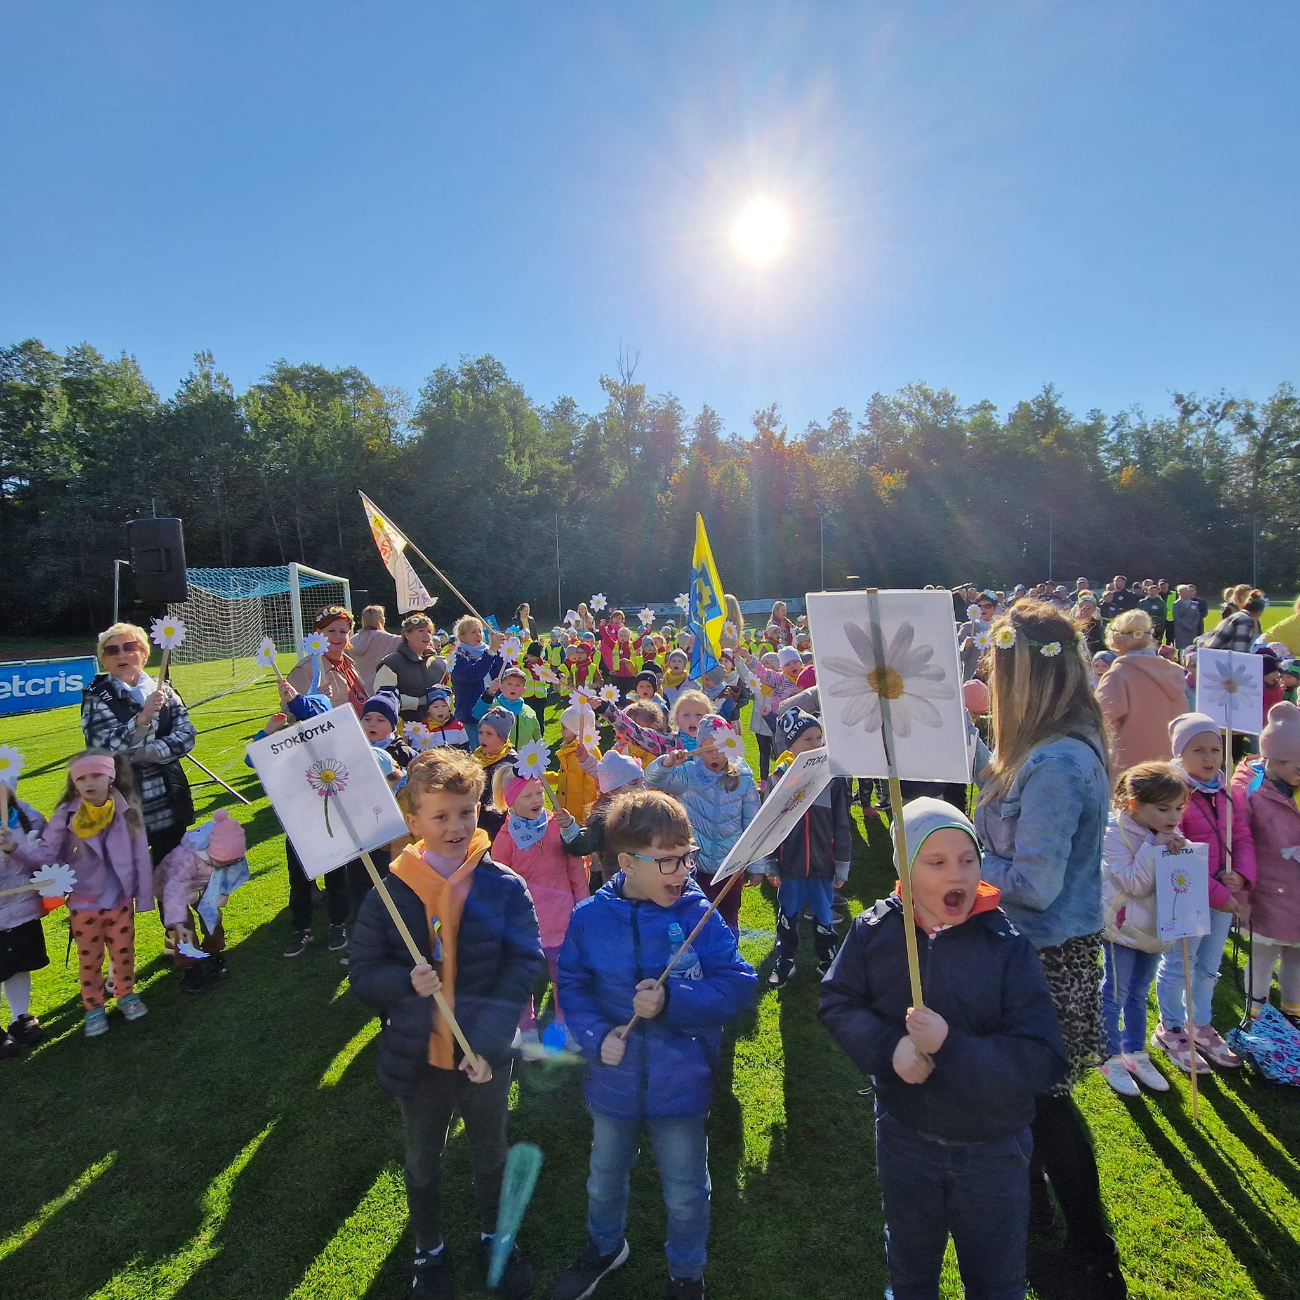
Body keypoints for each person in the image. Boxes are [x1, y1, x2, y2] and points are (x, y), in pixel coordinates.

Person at [820, 797, 1067, 1300]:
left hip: (992, 1148)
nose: (957, 874)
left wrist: (949, 1046)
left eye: (967, 859)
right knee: (911, 1264)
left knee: (995, 1278)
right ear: (905, 870)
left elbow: (1041, 1057)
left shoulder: (1006, 946)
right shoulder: (876, 931)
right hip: (906, 1136)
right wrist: (891, 1050)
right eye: (936, 863)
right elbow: (839, 1001)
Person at [349, 748, 543, 1300]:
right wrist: (404, 982)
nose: (457, 826)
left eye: (466, 811)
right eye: (441, 816)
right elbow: (364, 974)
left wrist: (485, 1043)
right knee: (422, 1158)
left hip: (484, 1056)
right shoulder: (389, 893)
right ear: (413, 822)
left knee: (491, 1152)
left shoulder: (503, 886)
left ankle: (494, 1234)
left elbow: (523, 963)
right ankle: (428, 1250)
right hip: (419, 1056)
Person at [971, 600, 1123, 1298]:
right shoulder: (1042, 747)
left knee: (1046, 1102)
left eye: (999, 672)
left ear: (1026, 677)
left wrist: (953, 866)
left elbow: (1033, 882)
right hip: (1027, 949)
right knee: (1026, 1099)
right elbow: (1009, 816)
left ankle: (1092, 1251)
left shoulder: (1059, 760)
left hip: (1046, 955)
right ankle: (1032, 1215)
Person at [553, 788, 757, 1300]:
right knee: (604, 1176)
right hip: (613, 1080)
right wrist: (598, 1038)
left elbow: (738, 986)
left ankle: (687, 1272)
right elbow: (573, 989)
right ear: (626, 862)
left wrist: (674, 1000)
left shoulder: (699, 915)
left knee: (687, 1191)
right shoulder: (589, 920)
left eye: (687, 857)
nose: (683, 871)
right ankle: (605, 1246)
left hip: (682, 1084)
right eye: (667, 861)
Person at [1149, 714, 1255, 1072]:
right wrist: (1220, 892)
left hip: (1223, 895)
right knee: (1181, 963)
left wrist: (1240, 874)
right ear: (1181, 753)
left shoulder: (1225, 793)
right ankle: (1172, 1027)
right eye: (1199, 750)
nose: (1210, 758)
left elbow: (1241, 838)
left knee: (1209, 967)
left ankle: (1201, 1023)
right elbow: (1178, 855)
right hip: (1188, 896)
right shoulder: (1175, 796)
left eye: (1216, 749)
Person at [28, 751, 153, 1036]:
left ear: (111, 776)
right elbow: (48, 853)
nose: (88, 782)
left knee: (123, 953)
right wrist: (18, 850)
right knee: (90, 958)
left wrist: (143, 898)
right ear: (74, 783)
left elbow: (140, 857)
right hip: (83, 902)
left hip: (119, 899)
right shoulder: (67, 813)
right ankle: (94, 1007)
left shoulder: (127, 810)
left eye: (95, 775)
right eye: (81, 778)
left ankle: (125, 994)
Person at [1097, 763, 1184, 1096]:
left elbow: (1175, 881)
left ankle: (1135, 1052)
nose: (1173, 816)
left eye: (1178, 808)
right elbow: (1134, 883)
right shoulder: (1114, 834)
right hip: (1121, 930)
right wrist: (1157, 846)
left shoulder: (1169, 836)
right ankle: (1109, 1054)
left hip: (1154, 931)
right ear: (1134, 804)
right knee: (1115, 993)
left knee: (1138, 993)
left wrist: (1176, 851)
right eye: (1163, 808)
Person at [489, 769, 587, 1058]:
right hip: (525, 926)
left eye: (539, 792)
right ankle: (528, 1031)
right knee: (524, 979)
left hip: (562, 918)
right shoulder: (506, 839)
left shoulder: (558, 827)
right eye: (527, 795)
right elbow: (499, 885)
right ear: (510, 802)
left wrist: (582, 905)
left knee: (564, 976)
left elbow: (576, 870)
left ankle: (565, 1025)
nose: (536, 799)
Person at [82, 621, 196, 864]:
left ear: (144, 654)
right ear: (103, 660)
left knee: (174, 878)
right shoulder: (96, 697)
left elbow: (186, 736)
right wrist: (141, 719)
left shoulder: (165, 690)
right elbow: (102, 749)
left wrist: (145, 752)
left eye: (129, 647)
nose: (121, 655)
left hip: (169, 801)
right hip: (124, 807)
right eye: (111, 650)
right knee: (127, 882)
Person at [644, 717, 759, 936]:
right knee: (695, 920)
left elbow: (753, 823)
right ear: (698, 749)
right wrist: (667, 764)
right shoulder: (687, 774)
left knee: (728, 918)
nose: (715, 755)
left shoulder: (743, 778)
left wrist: (756, 866)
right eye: (708, 749)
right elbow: (653, 780)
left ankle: (727, 960)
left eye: (721, 748)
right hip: (695, 868)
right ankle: (697, 962)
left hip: (730, 868)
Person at [762, 710, 852, 988]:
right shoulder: (779, 779)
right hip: (790, 866)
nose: (816, 744)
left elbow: (842, 825)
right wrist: (770, 864)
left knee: (825, 916)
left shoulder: (833, 779)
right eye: (807, 739)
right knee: (787, 914)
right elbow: (768, 826)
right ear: (791, 746)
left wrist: (841, 865)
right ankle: (785, 960)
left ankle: (827, 958)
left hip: (823, 866)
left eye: (819, 738)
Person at [1232, 702, 1300, 1023]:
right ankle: (1255, 1012)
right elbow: (1242, 845)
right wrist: (1242, 895)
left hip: (1297, 898)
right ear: (1275, 760)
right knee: (1262, 957)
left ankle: (1292, 1012)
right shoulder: (1256, 796)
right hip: (1269, 896)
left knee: (1296, 959)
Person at [153, 808, 250, 993]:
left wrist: (216, 901)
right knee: (180, 929)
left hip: (202, 882)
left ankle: (213, 954)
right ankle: (190, 968)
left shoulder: (228, 850)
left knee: (212, 919)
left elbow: (226, 880)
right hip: (171, 890)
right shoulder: (183, 861)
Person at [1095, 610, 1188, 772]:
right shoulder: (1174, 672)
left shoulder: (1118, 674)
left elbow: (1101, 720)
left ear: (1115, 640)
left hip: (1131, 767)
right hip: (1171, 764)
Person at [0, 777, 51, 1056]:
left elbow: (47, 859)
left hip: (20, 907)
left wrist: (15, 849)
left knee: (18, 965)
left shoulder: (28, 817)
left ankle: (20, 1018)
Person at [562, 750, 646, 888]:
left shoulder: (646, 809)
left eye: (642, 782)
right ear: (613, 792)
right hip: (620, 889)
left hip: (649, 885)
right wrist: (568, 827)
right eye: (634, 783)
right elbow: (582, 843)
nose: (642, 788)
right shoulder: (604, 820)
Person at [287, 606, 369, 715]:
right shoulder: (305, 671)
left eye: (343, 631)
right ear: (318, 633)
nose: (337, 636)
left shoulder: (349, 664)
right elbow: (291, 715)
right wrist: (313, 701)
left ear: (349, 634)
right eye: (331, 631)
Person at [373, 613, 449, 723]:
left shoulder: (435, 664)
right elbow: (382, 700)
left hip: (435, 732)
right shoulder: (391, 663)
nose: (426, 635)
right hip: (402, 731)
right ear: (407, 635)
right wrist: (418, 701)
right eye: (420, 631)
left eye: (429, 631)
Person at [450, 616, 505, 747]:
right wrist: (492, 651)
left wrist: (504, 652)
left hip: (492, 711)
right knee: (477, 754)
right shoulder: (457, 657)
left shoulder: (487, 651)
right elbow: (474, 674)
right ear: (462, 637)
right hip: (472, 716)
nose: (478, 634)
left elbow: (502, 673)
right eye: (473, 632)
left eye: (480, 631)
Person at [473, 706, 520, 839]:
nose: (483, 737)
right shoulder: (477, 757)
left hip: (501, 820)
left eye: (489, 734)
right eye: (480, 732)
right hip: (480, 817)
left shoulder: (512, 762)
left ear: (503, 739)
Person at [472, 665, 542, 750]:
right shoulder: (493, 707)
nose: (513, 688)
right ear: (501, 687)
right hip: (499, 759)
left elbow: (537, 737)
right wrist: (489, 693)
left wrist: (539, 752)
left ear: (523, 690)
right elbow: (477, 714)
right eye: (509, 684)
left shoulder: (529, 711)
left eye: (518, 685)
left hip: (524, 759)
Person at [350, 605, 402, 694]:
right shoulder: (387, 639)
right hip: (380, 690)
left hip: (358, 689)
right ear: (380, 618)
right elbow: (411, 641)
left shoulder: (353, 640)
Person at [957, 592, 998, 680]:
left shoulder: (1001, 628)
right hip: (972, 679)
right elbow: (957, 657)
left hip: (995, 679)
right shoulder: (968, 627)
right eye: (979, 606)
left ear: (994, 608)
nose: (983, 609)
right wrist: (965, 647)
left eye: (988, 606)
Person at [422, 687, 470, 751]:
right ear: (428, 710)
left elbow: (466, 750)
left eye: (444, 706)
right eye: (435, 707)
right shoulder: (422, 729)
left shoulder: (458, 726)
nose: (440, 710)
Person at [1170, 585, 1204, 651]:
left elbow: (1197, 615)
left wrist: (1193, 625)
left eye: (1188, 591)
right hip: (1181, 630)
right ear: (1180, 593)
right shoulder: (1176, 604)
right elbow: (1176, 617)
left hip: (1192, 630)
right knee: (1182, 648)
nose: (1187, 593)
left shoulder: (1193, 603)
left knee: (1192, 647)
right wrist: (1187, 626)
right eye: (1185, 591)